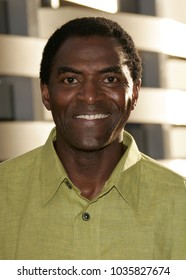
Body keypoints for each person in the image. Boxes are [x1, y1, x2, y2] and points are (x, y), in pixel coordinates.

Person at [0, 17, 186, 260]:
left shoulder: (179, 200)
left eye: (109, 79)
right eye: (71, 80)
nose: (90, 97)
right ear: (46, 93)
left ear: (135, 92)